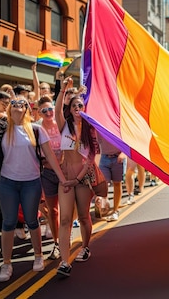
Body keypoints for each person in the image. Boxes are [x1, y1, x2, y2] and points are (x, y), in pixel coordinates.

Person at [0, 96, 69, 282]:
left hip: (31, 182)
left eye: (22, 104)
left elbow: (50, 156)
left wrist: (63, 179)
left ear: (27, 109)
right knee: (8, 223)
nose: (17, 107)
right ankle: (6, 263)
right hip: (7, 182)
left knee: (32, 220)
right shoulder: (0, 132)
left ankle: (38, 255)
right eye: (14, 104)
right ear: (9, 108)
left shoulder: (37, 130)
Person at [54, 77, 98, 277]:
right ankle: (64, 262)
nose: (77, 107)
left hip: (83, 179)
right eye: (74, 105)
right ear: (70, 109)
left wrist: (77, 179)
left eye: (81, 105)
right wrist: (63, 90)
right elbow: (56, 111)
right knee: (64, 219)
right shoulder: (65, 126)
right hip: (65, 178)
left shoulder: (90, 129)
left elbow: (90, 158)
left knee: (83, 216)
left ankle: (85, 246)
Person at [37, 95, 62, 259]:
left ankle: (65, 234)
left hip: (65, 172)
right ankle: (57, 242)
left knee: (67, 208)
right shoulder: (37, 129)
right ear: (39, 113)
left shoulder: (62, 125)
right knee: (53, 211)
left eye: (50, 109)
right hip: (47, 173)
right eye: (44, 110)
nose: (48, 113)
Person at [98, 133, 125, 222]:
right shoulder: (98, 126)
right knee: (103, 183)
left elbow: (126, 141)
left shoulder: (116, 124)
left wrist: (122, 153)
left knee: (117, 183)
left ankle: (115, 210)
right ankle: (105, 201)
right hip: (104, 157)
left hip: (117, 158)